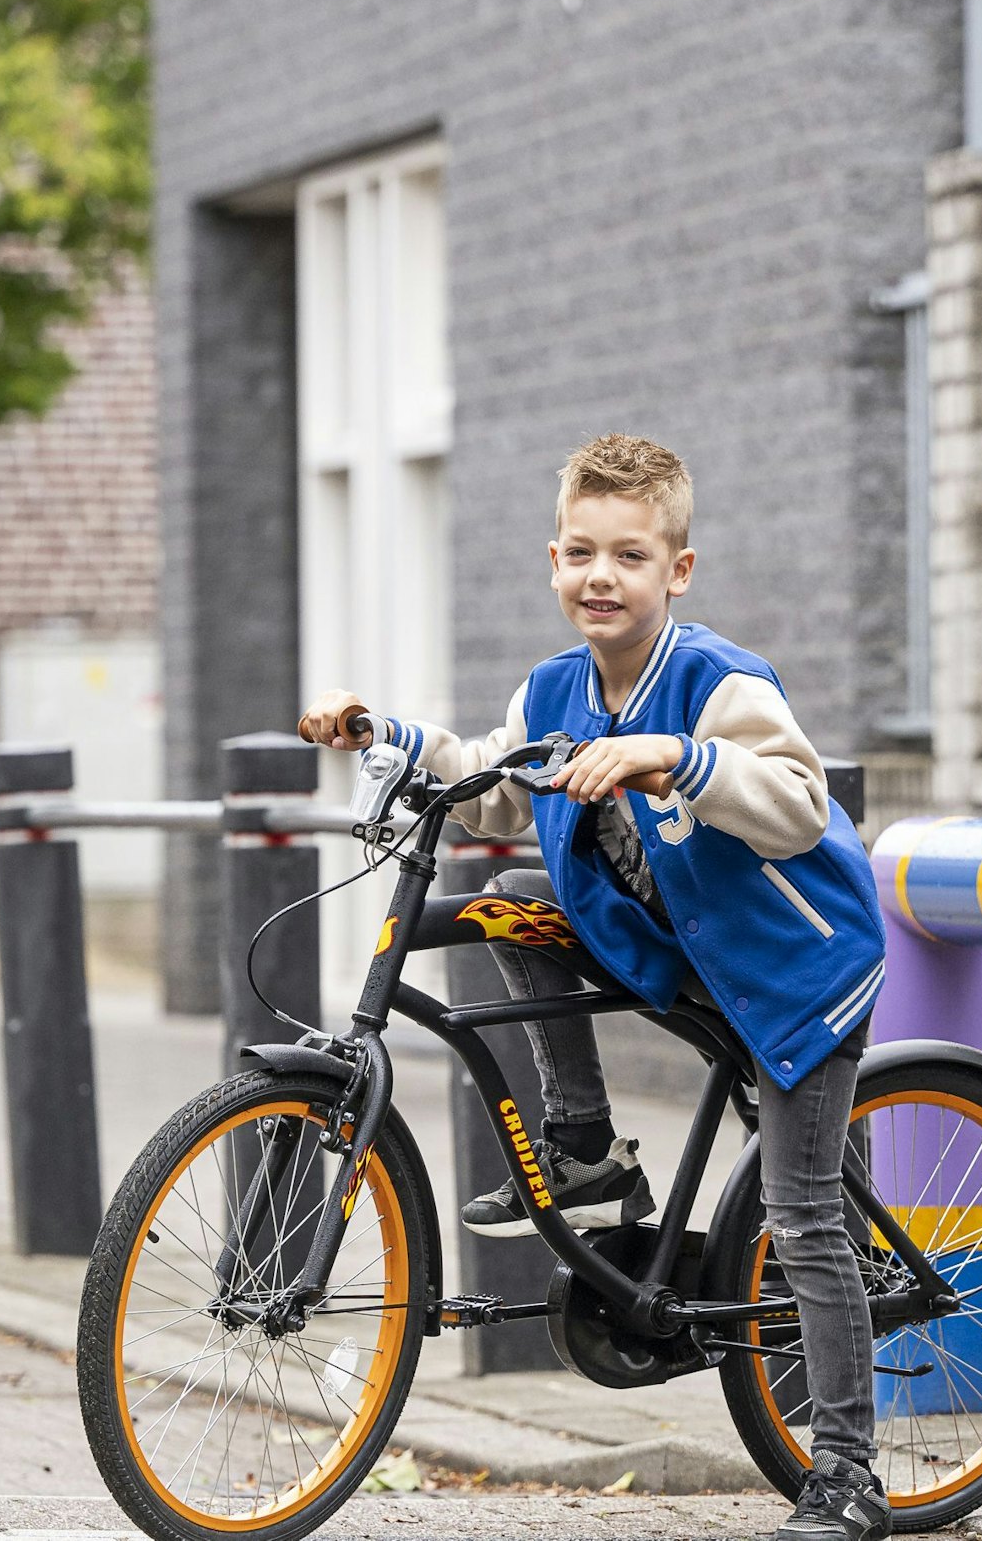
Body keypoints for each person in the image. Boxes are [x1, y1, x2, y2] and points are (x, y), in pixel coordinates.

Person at [297, 434, 895, 1541]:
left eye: (628, 554)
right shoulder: (556, 689)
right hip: (679, 949)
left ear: (678, 569)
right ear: (553, 559)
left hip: (791, 969)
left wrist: (675, 756)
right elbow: (490, 780)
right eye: (579, 552)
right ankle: (581, 1142)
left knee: (805, 1213)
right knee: (511, 891)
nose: (599, 576)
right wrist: (379, 729)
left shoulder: (719, 680)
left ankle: (850, 1470)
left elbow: (800, 804)